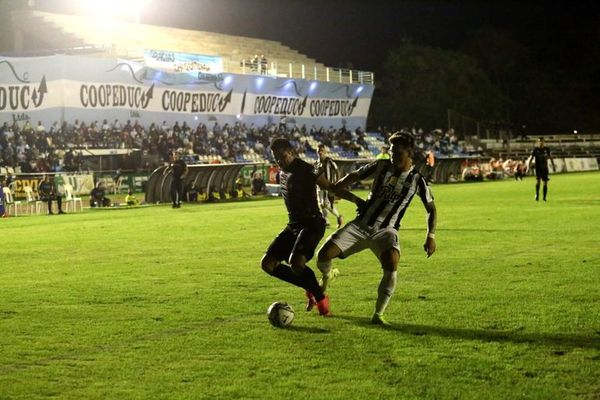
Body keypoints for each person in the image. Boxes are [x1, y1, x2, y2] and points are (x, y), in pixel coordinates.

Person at [316, 132, 437, 326]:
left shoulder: (417, 180)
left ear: (409, 154)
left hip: (386, 231)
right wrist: (340, 188)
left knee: (391, 263)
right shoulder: (381, 165)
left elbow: (431, 209)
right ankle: (327, 276)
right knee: (322, 255)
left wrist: (430, 236)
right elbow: (355, 175)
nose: (393, 156)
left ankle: (378, 315)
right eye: (391, 152)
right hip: (360, 225)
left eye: (397, 153)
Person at [260, 138, 350, 317]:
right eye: (276, 158)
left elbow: (330, 187)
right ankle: (310, 287)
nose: (279, 161)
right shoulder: (283, 173)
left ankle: (321, 299)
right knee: (268, 264)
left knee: (296, 262)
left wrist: (356, 201)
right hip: (293, 225)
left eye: (283, 157)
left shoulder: (308, 169)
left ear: (292, 153)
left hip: (312, 223)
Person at [315, 144, 343, 228]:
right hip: (319, 187)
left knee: (326, 204)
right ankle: (326, 221)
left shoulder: (329, 160)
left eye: (321, 150)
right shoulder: (316, 163)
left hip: (328, 186)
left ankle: (339, 216)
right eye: (318, 151)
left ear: (324, 151)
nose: (320, 152)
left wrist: (337, 182)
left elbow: (337, 170)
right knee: (321, 204)